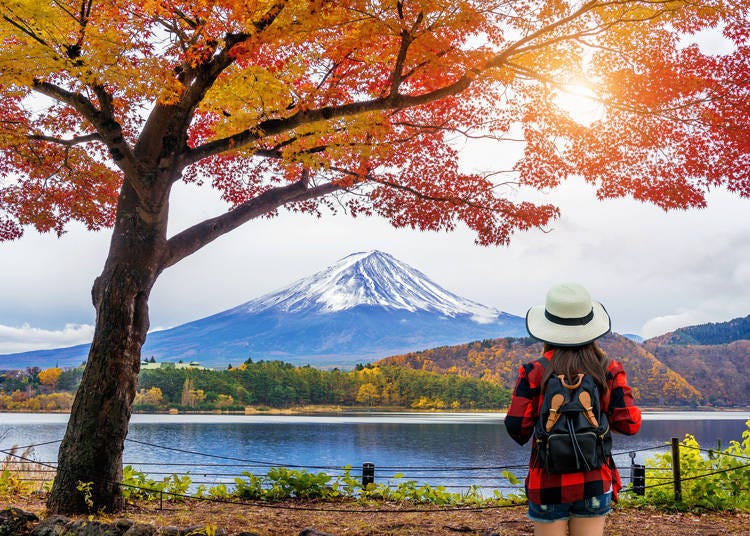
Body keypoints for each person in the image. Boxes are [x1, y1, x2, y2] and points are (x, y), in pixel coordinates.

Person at [505, 282, 641, 536]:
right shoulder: (609, 369)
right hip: (595, 480)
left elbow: (516, 428)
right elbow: (630, 424)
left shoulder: (533, 371)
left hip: (546, 482)